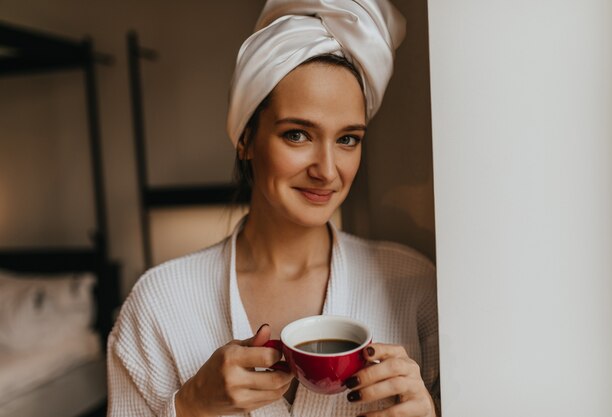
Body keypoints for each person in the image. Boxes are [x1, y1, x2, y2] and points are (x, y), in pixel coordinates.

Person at [107, 1, 439, 416]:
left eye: (348, 139)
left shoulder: (413, 286)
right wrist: (189, 406)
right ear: (246, 138)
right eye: (298, 134)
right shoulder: (159, 304)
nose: (328, 170)